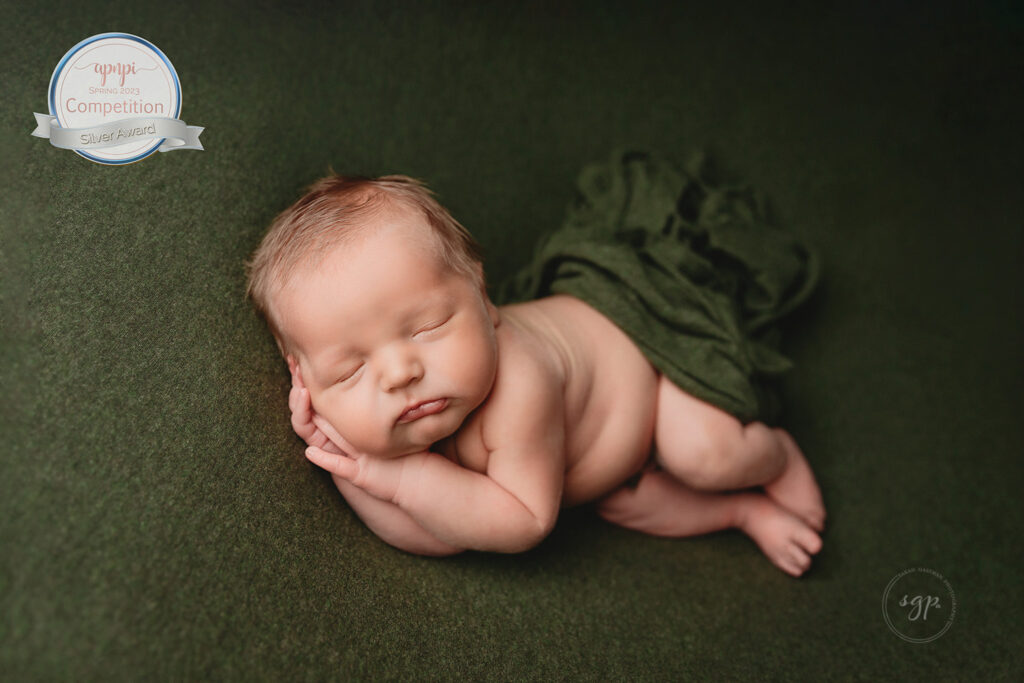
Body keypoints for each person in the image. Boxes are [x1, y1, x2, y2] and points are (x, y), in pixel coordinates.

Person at [245, 168, 825, 577]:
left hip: (652, 365)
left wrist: (395, 477)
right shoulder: (401, 421)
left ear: (482, 296)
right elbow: (441, 534)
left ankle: (775, 452)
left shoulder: (519, 383)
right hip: (610, 465)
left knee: (703, 452)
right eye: (349, 371)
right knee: (631, 504)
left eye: (425, 327)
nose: (399, 373)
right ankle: (741, 511)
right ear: (307, 382)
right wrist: (350, 463)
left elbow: (521, 521)